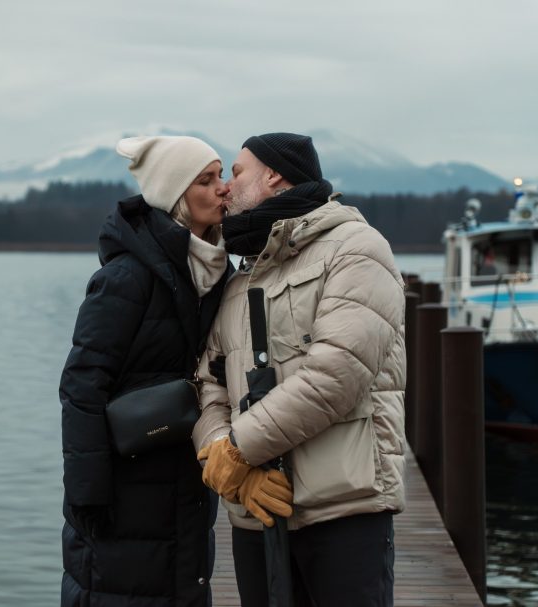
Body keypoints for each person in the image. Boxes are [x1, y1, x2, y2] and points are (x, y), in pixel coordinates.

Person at [193, 133, 407, 606]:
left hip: (343, 512)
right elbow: (209, 385)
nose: (226, 187)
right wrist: (223, 460)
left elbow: (337, 374)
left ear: (274, 175)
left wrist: (238, 448)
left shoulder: (356, 248)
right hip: (256, 513)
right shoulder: (241, 276)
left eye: (236, 172)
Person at [60, 135, 234, 607]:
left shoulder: (215, 275)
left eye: (222, 175)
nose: (223, 188)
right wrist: (88, 493)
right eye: (206, 180)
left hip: (186, 484)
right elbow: (81, 384)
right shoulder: (126, 278)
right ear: (176, 195)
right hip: (123, 492)